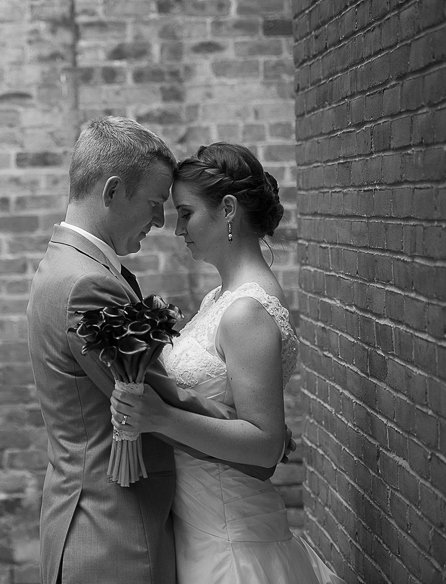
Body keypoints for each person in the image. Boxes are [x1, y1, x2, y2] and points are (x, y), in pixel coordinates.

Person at [27, 119, 291, 584]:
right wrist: (258, 431)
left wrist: (260, 431)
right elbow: (154, 400)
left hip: (165, 527)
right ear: (112, 192)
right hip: (114, 535)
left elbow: (157, 401)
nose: (161, 222)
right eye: (155, 205)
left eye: (181, 212)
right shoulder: (88, 282)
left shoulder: (69, 265)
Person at [111, 143, 343, 583]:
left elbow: (264, 443)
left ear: (229, 209)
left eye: (186, 213)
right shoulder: (220, 299)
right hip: (198, 528)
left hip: (230, 539)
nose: (178, 229)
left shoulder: (246, 311)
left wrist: (158, 418)